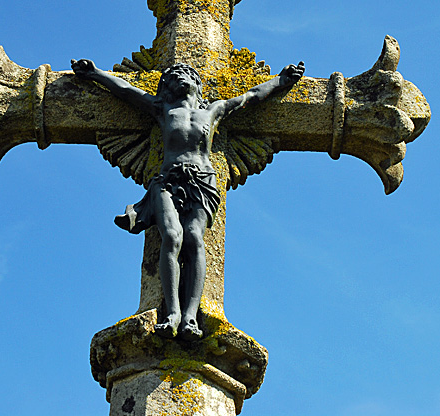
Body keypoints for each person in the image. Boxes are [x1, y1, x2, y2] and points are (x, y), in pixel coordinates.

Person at [71, 58, 305, 340]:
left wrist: (282, 80)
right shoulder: (162, 108)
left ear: (197, 84)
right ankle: (172, 313)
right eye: (174, 77)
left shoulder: (214, 110)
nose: (181, 78)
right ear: (167, 87)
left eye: (187, 75)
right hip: (167, 182)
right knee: (171, 236)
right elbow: (125, 90)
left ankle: (191, 317)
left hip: (202, 182)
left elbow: (252, 96)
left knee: (194, 236)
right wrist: (95, 73)